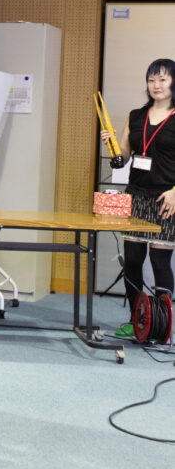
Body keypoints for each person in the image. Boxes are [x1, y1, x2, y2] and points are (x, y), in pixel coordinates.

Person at [101, 58, 175, 337]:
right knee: (132, 260)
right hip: (137, 195)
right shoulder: (135, 116)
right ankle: (137, 321)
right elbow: (122, 158)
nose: (156, 85)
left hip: (166, 198)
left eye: (163, 79)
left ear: (173, 82)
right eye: (151, 79)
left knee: (159, 261)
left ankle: (161, 326)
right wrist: (111, 145)